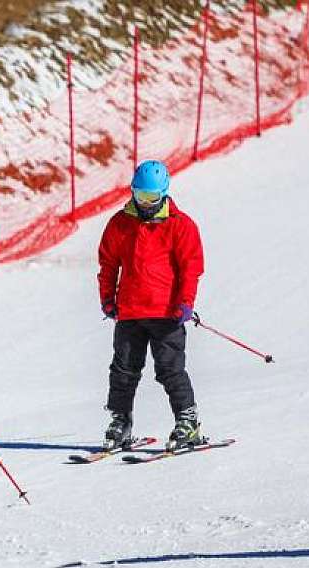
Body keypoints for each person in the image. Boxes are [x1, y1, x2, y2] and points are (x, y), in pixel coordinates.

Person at [97, 160, 205, 452]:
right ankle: (120, 421)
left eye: (151, 198)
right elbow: (108, 264)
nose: (144, 203)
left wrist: (185, 303)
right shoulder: (120, 223)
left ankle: (187, 421)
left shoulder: (179, 225)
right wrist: (107, 298)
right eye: (139, 195)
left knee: (170, 369)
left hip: (165, 312)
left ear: (164, 194)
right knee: (123, 370)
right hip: (130, 311)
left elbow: (190, 267)